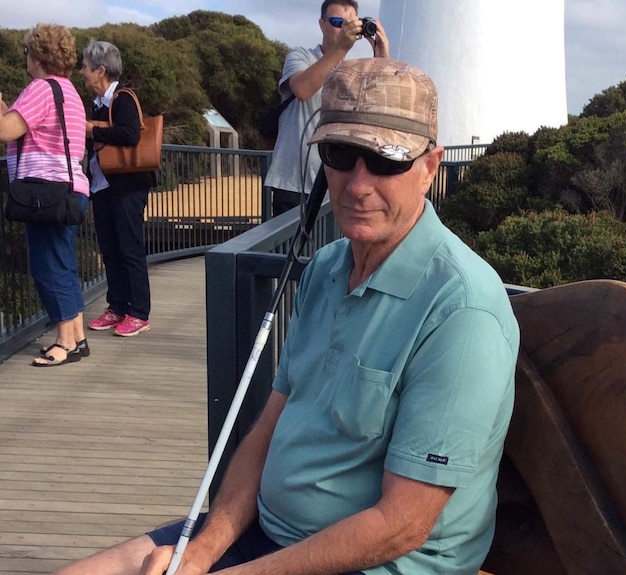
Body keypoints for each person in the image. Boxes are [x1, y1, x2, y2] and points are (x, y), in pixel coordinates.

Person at [55, 58, 520, 575]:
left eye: (387, 160)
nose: (357, 184)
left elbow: (403, 525)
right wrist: (200, 555)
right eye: (341, 154)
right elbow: (269, 430)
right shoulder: (325, 267)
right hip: (265, 538)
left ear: (430, 167)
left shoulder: (462, 310)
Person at [0, 24, 90, 367]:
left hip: (46, 192)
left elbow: (6, 130)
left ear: (37, 55)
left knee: (48, 268)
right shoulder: (67, 90)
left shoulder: (40, 88)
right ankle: (77, 337)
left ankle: (64, 342)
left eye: (26, 52)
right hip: (67, 191)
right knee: (63, 265)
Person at [264, 0, 389, 217]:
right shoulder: (300, 56)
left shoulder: (355, 71)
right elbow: (303, 88)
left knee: (330, 252)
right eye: (338, 22)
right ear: (322, 25)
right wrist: (340, 48)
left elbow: (379, 105)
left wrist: (382, 57)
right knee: (291, 250)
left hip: (336, 186)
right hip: (294, 184)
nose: (343, 30)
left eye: (351, 25)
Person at [80, 40, 155, 337]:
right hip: (102, 185)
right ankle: (117, 306)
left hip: (127, 186)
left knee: (130, 249)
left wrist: (92, 130)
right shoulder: (96, 104)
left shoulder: (122, 99)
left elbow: (130, 133)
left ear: (101, 70)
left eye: (85, 67)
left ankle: (138, 312)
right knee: (110, 249)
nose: (82, 72)